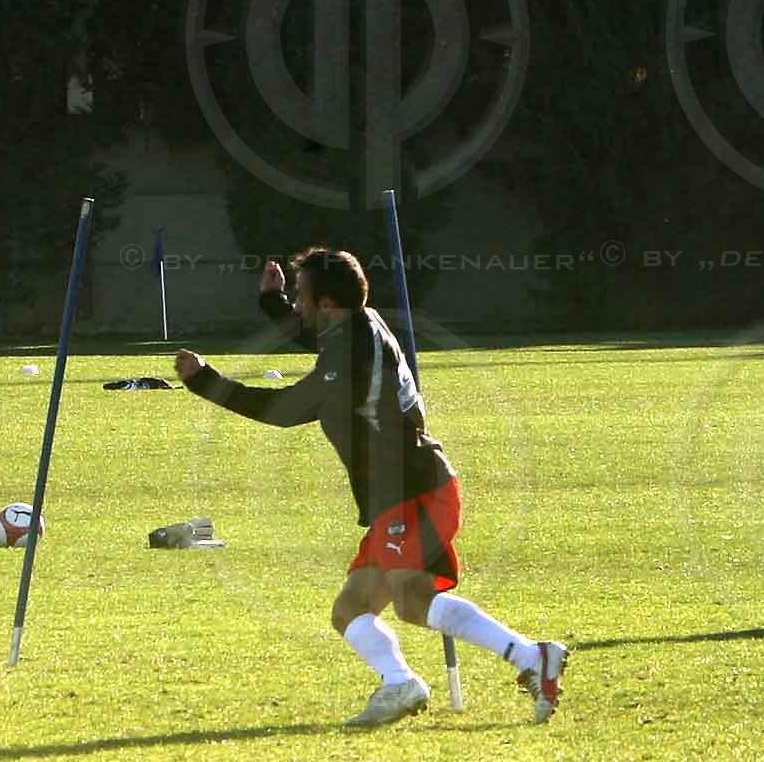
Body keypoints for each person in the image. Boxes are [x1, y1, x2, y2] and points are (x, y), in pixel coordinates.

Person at [174, 249, 566, 728]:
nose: (298, 305)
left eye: (302, 296)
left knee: (412, 601)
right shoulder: (358, 325)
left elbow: (283, 410)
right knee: (350, 610)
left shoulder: (348, 355)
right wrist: (273, 302)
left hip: (414, 488)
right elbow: (309, 330)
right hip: (396, 494)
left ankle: (530, 656)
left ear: (329, 303)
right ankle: (401, 683)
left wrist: (204, 382)